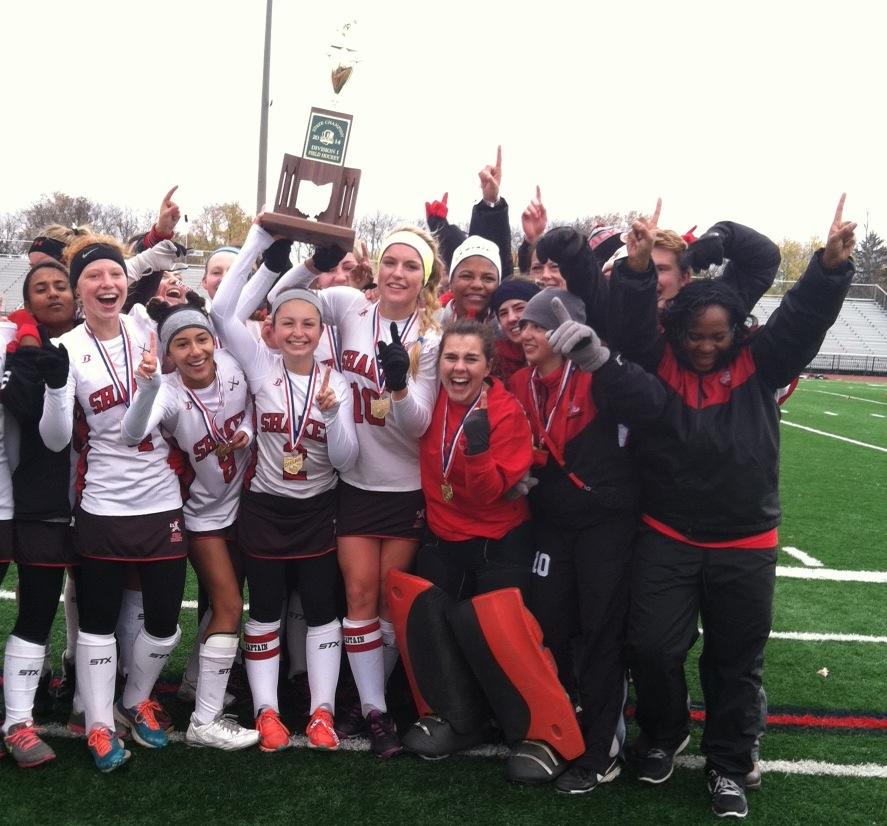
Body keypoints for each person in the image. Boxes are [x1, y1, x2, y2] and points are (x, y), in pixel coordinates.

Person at [613, 196, 856, 819]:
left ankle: (728, 762)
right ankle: (664, 733)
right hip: (668, 533)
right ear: (677, 332)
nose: (704, 347)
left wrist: (829, 268)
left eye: (717, 336)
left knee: (735, 662)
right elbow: (633, 324)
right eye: (695, 336)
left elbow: (803, 316)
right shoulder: (659, 358)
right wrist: (637, 268)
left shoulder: (760, 358)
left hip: (744, 542)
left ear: (737, 331)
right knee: (653, 648)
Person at [263, 221, 443, 757]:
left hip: (403, 485)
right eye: (390, 262)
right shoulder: (347, 305)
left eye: (410, 266)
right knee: (360, 594)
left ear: (424, 278)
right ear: (377, 266)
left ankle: (371, 696)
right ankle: (374, 711)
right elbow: (282, 299)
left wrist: (400, 386)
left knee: (387, 598)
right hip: (355, 480)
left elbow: (419, 424)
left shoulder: (432, 336)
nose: (397, 273)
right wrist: (316, 263)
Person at [38, 233, 189, 772]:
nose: (107, 284)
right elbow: (57, 439)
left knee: (165, 621)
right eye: (93, 277)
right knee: (98, 622)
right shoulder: (66, 348)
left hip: (161, 496)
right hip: (102, 501)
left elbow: (153, 418)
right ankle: (100, 723)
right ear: (78, 289)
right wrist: (56, 389)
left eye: (114, 275)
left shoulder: (147, 325)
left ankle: (135, 699)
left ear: (127, 282)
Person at [509, 284, 666, 795]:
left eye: (538, 325)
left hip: (605, 526)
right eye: (524, 324)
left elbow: (653, 404)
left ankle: (603, 750)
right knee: (550, 629)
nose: (525, 332)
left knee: (601, 635)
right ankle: (561, 731)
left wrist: (599, 358)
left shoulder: (597, 375)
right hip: (550, 526)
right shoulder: (519, 381)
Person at [211, 228, 359, 753]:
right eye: (288, 323)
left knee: (320, 609)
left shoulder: (336, 382)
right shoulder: (260, 363)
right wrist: (260, 244)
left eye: (308, 324)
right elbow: (221, 312)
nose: (298, 333)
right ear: (271, 329)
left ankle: (322, 711)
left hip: (318, 509)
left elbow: (346, 460)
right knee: (265, 611)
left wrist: (332, 417)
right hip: (265, 509)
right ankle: (266, 710)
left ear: (322, 330)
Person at [119, 295, 258, 750]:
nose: (195, 351)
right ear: (168, 353)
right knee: (230, 605)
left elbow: (256, 405)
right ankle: (205, 721)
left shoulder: (233, 365)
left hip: (245, 505)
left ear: (214, 341)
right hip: (203, 514)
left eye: (201, 339)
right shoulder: (169, 392)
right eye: (181, 344)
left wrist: (248, 430)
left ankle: (196, 683)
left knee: (220, 607)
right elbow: (132, 433)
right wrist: (147, 389)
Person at [1, 260, 80, 767]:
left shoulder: (105, 340)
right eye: (41, 289)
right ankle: (18, 720)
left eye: (60, 286)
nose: (53, 294)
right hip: (36, 502)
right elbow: (24, 408)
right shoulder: (19, 346)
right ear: (27, 302)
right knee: (36, 607)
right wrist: (39, 362)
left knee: (88, 607)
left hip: (94, 503)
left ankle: (85, 698)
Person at [488, 278, 540, 386]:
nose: (511, 318)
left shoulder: (559, 352)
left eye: (519, 308)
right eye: (503, 313)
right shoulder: (494, 360)